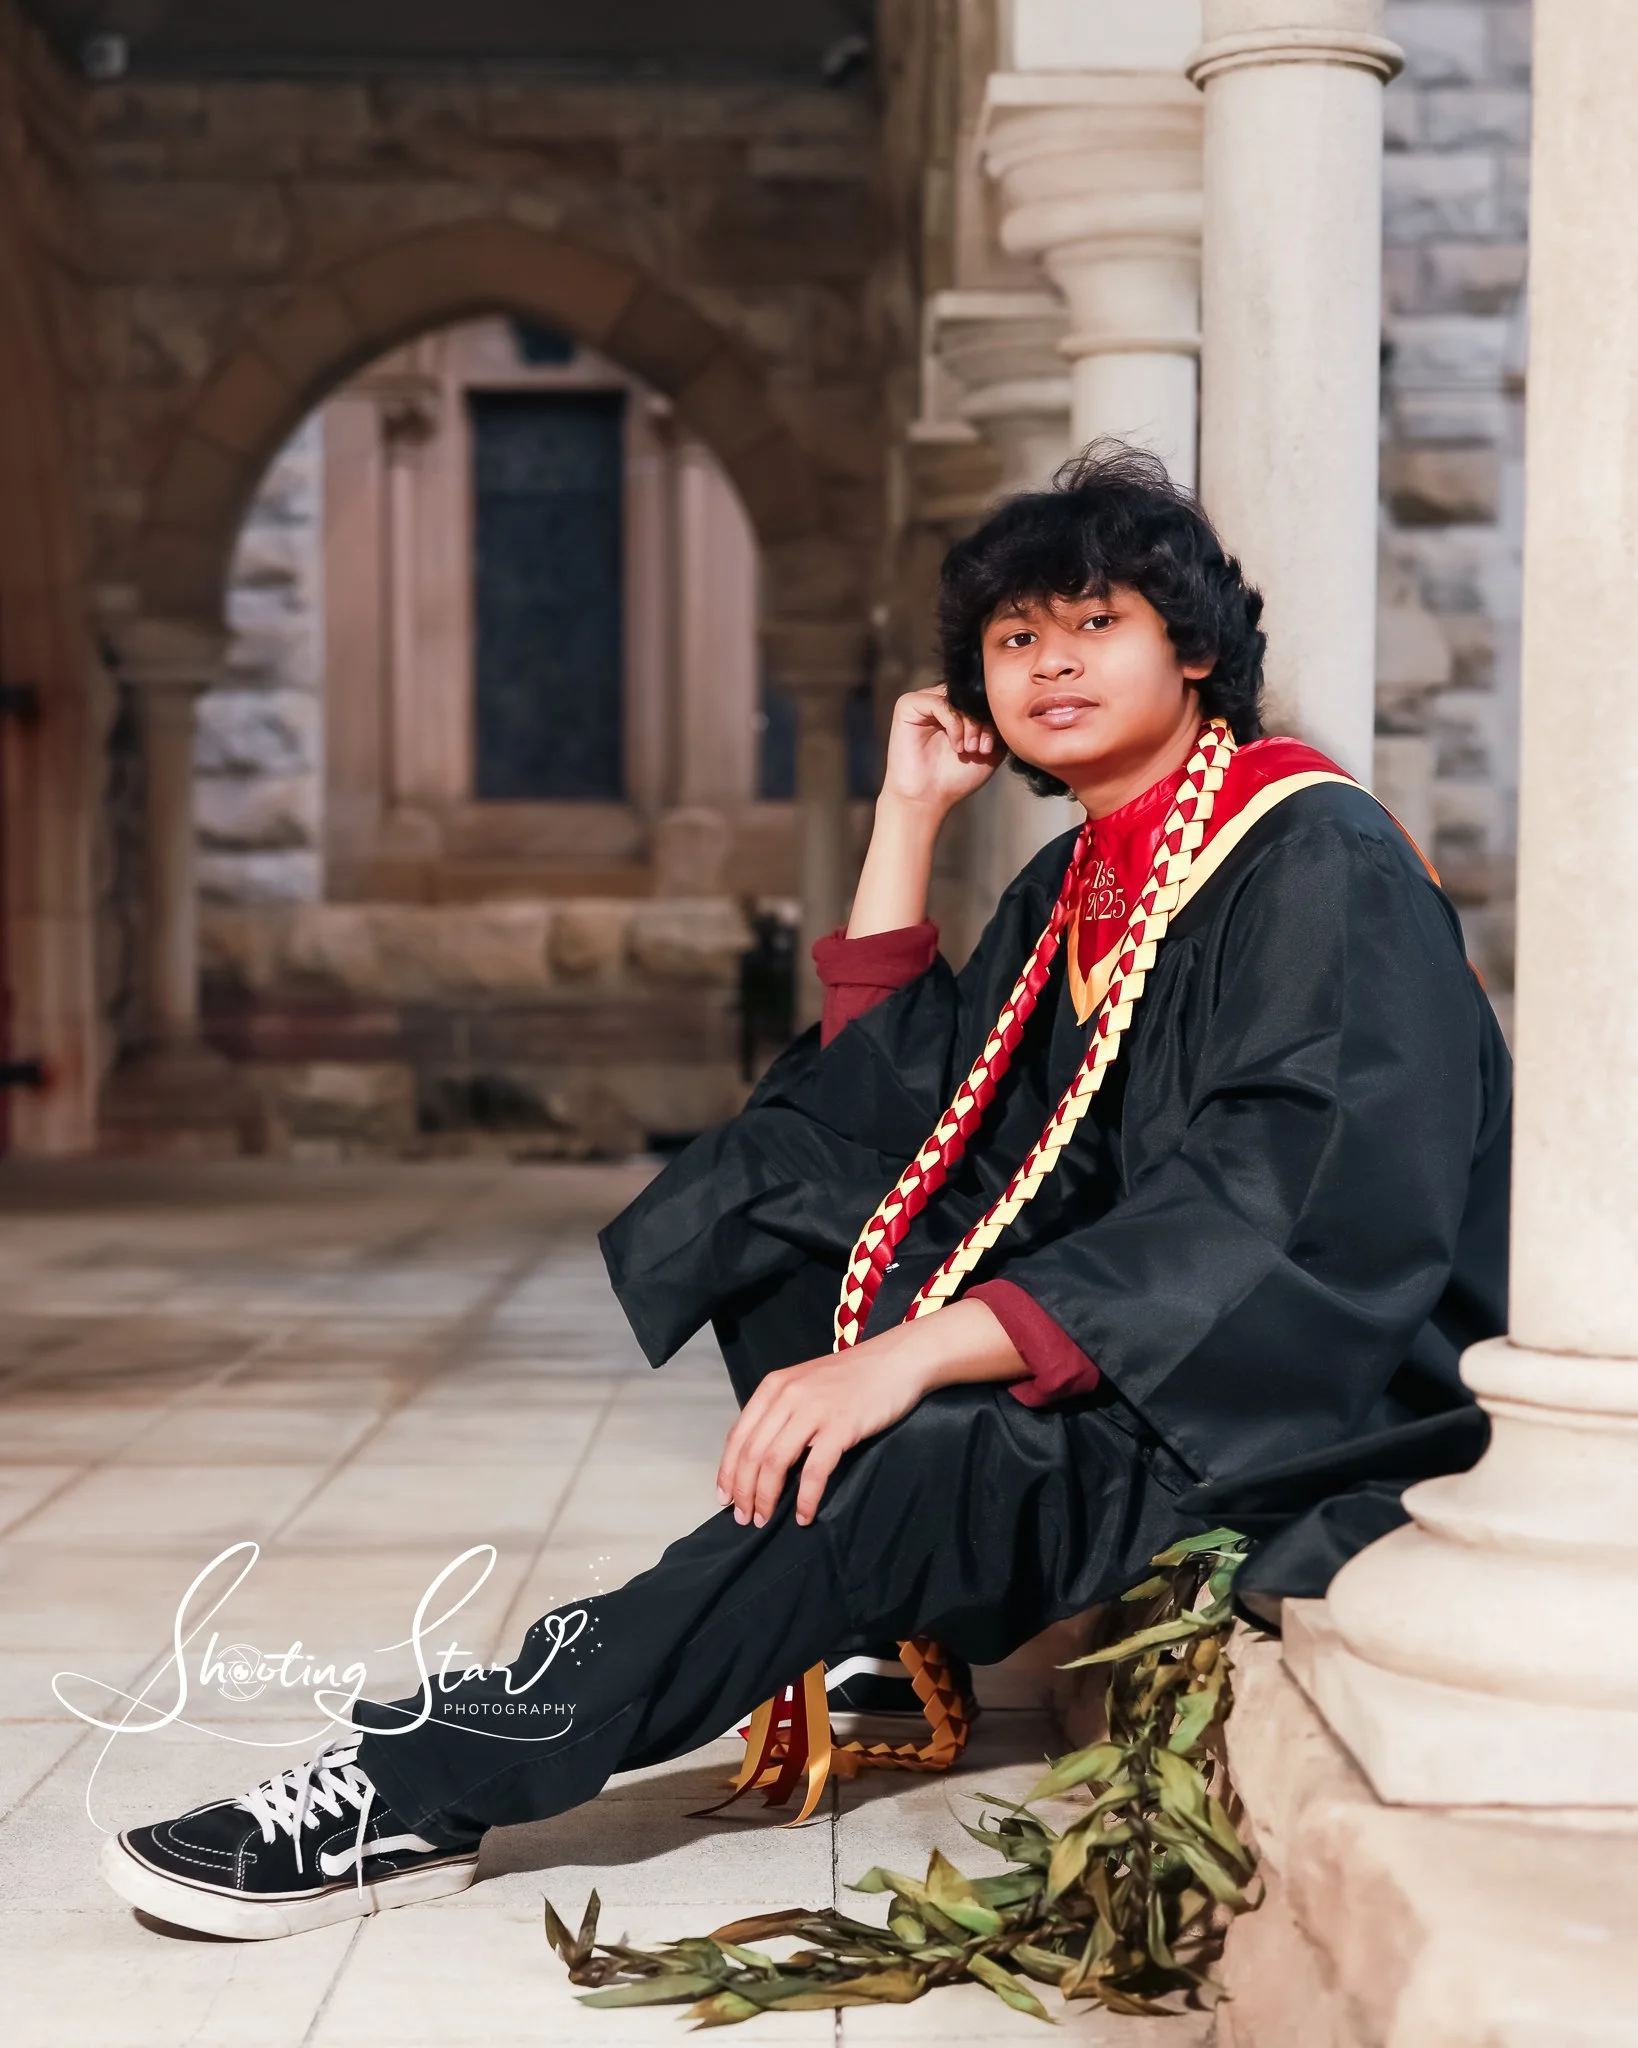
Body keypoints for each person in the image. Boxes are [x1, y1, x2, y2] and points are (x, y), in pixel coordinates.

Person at [101, 443, 1510, 1940]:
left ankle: (413, 1788)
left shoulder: (1314, 859)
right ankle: (877, 1610)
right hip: (1136, 1351)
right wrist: (909, 818)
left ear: (1198, 647)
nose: (1049, 663)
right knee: (778, 1187)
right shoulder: (1086, 879)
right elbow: (917, 1127)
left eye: (1095, 621)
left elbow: (1276, 1204)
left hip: (1277, 1404)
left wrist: (909, 1357)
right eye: (1013, 638)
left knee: (889, 1459)